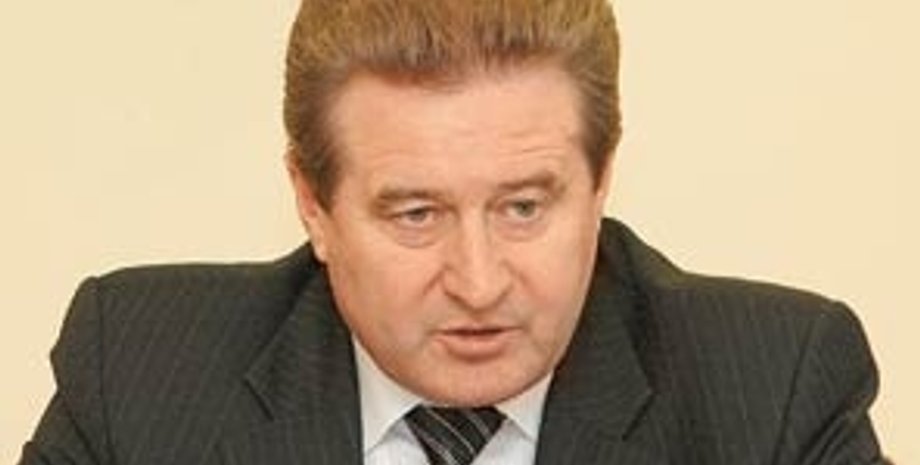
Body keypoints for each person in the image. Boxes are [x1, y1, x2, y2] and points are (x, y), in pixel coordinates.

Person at [19, 0, 884, 464]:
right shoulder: (138, 373)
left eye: (524, 207)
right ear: (313, 204)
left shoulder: (774, 392)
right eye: (416, 213)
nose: (479, 281)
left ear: (601, 182)